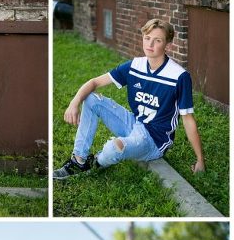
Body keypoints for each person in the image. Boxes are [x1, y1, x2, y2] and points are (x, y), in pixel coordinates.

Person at [53, 18, 205, 180]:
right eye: (147, 38)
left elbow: (188, 120)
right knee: (90, 99)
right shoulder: (135, 66)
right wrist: (74, 103)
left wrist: (200, 160)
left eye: (157, 40)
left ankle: (96, 162)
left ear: (168, 44)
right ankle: (79, 160)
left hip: (154, 141)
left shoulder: (179, 76)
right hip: (134, 123)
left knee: (114, 147)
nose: (150, 44)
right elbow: (95, 82)